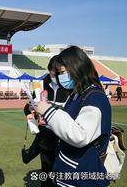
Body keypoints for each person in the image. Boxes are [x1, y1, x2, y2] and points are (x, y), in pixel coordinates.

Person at [34, 46, 111, 187]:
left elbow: (79, 135)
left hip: (82, 177)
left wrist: (49, 112)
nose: (60, 77)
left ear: (77, 67)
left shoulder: (95, 98)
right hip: (70, 173)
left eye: (62, 72)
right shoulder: (77, 95)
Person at [22, 55, 71, 187]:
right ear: (49, 70)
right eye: (53, 71)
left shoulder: (69, 87)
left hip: (63, 137)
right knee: (46, 173)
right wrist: (29, 113)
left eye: (60, 72)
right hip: (45, 137)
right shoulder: (40, 85)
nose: (56, 75)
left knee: (62, 173)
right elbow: (28, 106)